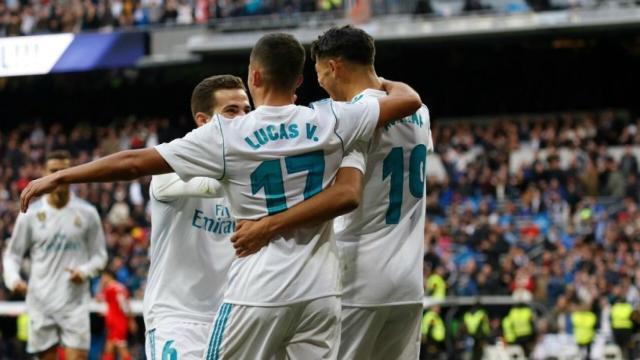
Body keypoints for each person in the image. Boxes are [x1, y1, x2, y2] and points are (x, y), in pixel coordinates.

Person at [19, 33, 422, 359]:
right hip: (321, 294)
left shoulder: (228, 137)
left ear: (255, 76)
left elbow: (132, 162)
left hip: (259, 290)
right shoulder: (330, 118)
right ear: (300, 80)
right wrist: (380, 81)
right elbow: (407, 102)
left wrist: (63, 177)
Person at [313, 25, 433, 360]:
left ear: (333, 67)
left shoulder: (346, 116)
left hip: (359, 279)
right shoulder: (420, 113)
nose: (320, 81)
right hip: (408, 283)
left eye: (320, 72)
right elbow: (406, 100)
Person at [143, 75, 250, 360]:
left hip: (235, 315)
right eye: (231, 111)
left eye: (246, 110)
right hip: (177, 316)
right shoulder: (168, 168)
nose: (242, 119)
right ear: (203, 121)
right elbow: (214, 184)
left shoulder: (251, 168)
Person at [4, 150, 108, 360]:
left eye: (64, 171)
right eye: (53, 171)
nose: (59, 176)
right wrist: (14, 280)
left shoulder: (87, 213)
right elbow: (12, 256)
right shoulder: (30, 215)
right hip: (41, 302)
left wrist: (85, 271)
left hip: (74, 302)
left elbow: (100, 256)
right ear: (44, 173)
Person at [100, 269, 134, 360]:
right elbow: (125, 305)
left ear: (108, 276)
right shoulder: (121, 287)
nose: (102, 279)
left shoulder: (110, 288)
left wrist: (131, 320)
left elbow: (124, 306)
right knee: (109, 347)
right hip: (116, 321)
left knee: (121, 347)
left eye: (103, 276)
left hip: (117, 322)